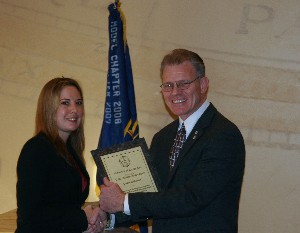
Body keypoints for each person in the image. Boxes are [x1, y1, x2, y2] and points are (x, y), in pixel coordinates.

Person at [99, 49, 246, 233]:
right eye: (168, 85)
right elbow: (154, 197)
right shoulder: (163, 138)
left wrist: (124, 201)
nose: (175, 92)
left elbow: (192, 197)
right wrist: (107, 213)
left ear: (203, 84)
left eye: (183, 83)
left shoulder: (223, 135)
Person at [15, 77, 106, 233]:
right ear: (49, 108)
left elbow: (64, 205)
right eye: (65, 103)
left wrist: (91, 218)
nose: (74, 109)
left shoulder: (71, 150)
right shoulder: (37, 149)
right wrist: (82, 218)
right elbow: (30, 217)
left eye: (78, 103)